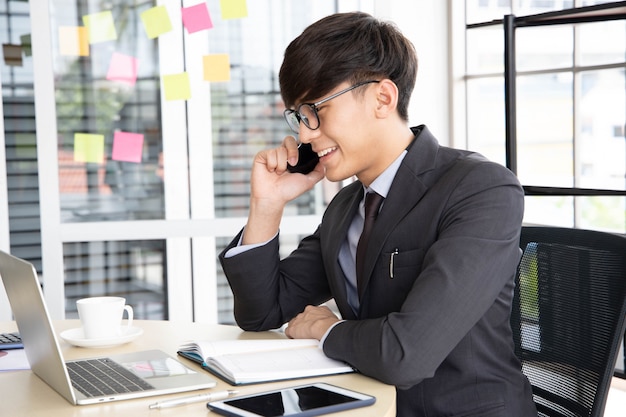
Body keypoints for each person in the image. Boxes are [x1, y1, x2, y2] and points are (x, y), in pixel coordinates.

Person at [219, 11, 537, 417]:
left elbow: (407, 353)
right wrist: (267, 205)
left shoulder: (479, 188)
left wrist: (325, 327)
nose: (304, 134)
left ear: (382, 98)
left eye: (315, 110)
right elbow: (261, 312)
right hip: (366, 407)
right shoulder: (347, 206)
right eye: (299, 116)